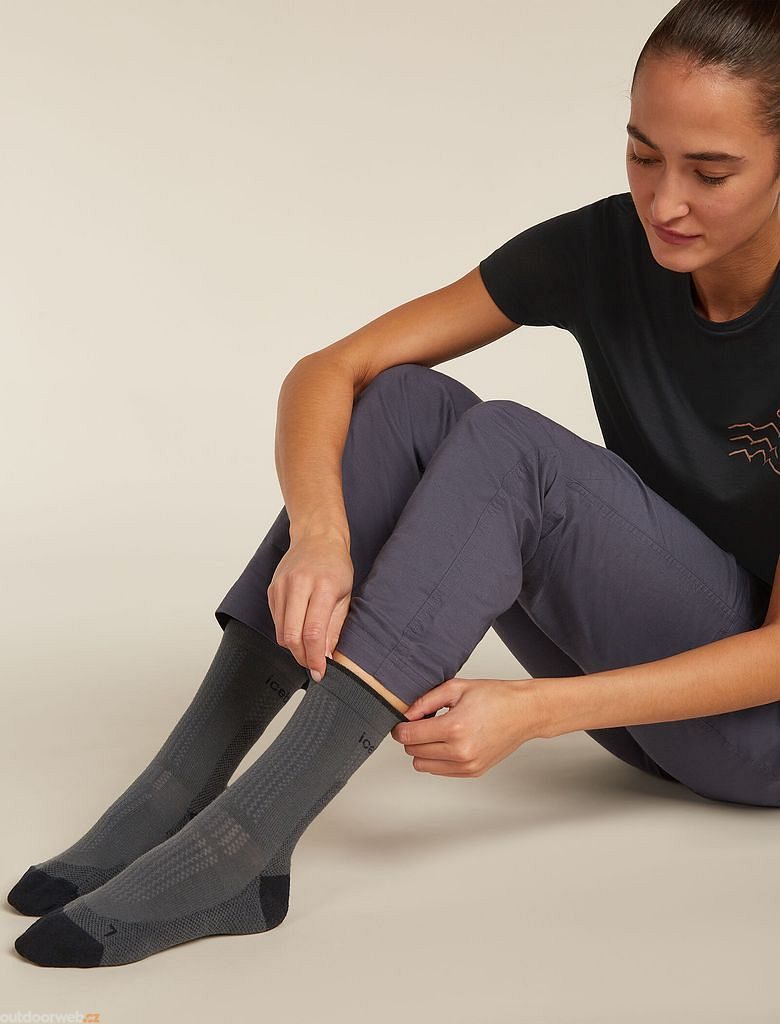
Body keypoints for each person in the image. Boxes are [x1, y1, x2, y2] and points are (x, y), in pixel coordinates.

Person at [9, 0, 780, 968]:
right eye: (641, 154)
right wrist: (320, 534)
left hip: (757, 735)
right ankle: (179, 787)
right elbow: (329, 371)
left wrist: (532, 712)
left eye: (711, 172)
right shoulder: (609, 248)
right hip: (647, 706)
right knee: (406, 401)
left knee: (512, 449)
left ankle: (243, 851)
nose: (664, 202)